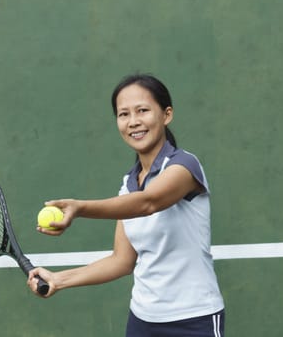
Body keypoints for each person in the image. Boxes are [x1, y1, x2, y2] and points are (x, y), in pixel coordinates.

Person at [27, 73, 225, 337]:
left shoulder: (185, 166)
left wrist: (80, 208)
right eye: (123, 114)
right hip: (143, 320)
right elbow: (121, 261)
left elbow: (149, 202)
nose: (133, 122)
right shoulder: (129, 184)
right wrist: (58, 279)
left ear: (166, 115)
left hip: (193, 319)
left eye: (142, 111)